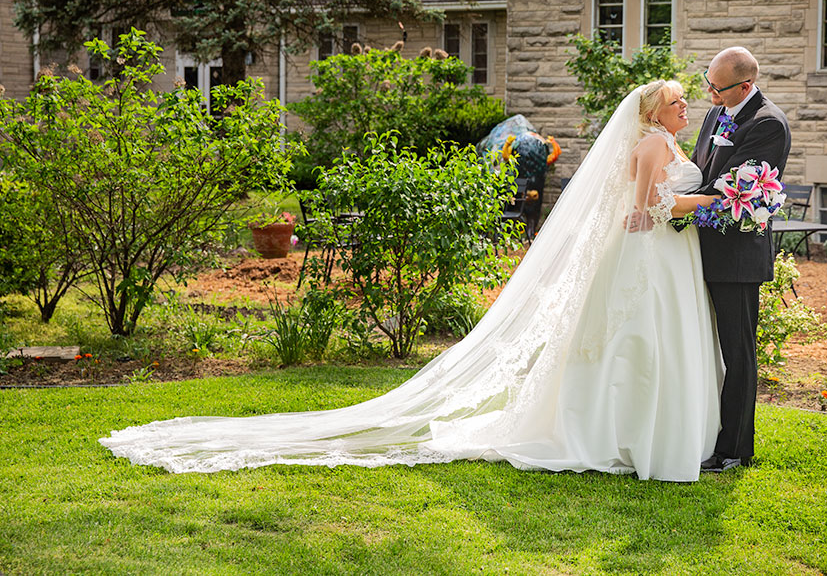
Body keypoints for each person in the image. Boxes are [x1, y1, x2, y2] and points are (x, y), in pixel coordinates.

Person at [100, 81, 724, 482]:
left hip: (666, 259)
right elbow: (641, 213)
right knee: (635, 343)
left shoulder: (668, 143)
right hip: (646, 258)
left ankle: (648, 433)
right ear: (651, 110)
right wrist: (709, 203)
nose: (684, 108)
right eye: (676, 102)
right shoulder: (648, 147)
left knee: (652, 345)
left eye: (684, 103)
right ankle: (622, 436)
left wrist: (704, 201)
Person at [672, 47, 791, 473]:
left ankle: (735, 449)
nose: (708, 92)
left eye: (716, 87)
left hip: (737, 257)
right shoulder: (716, 113)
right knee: (707, 349)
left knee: (737, 353)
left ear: (744, 86)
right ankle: (706, 434)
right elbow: (707, 173)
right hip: (702, 250)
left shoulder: (768, 125)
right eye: (707, 82)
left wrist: (673, 205)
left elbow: (729, 197)